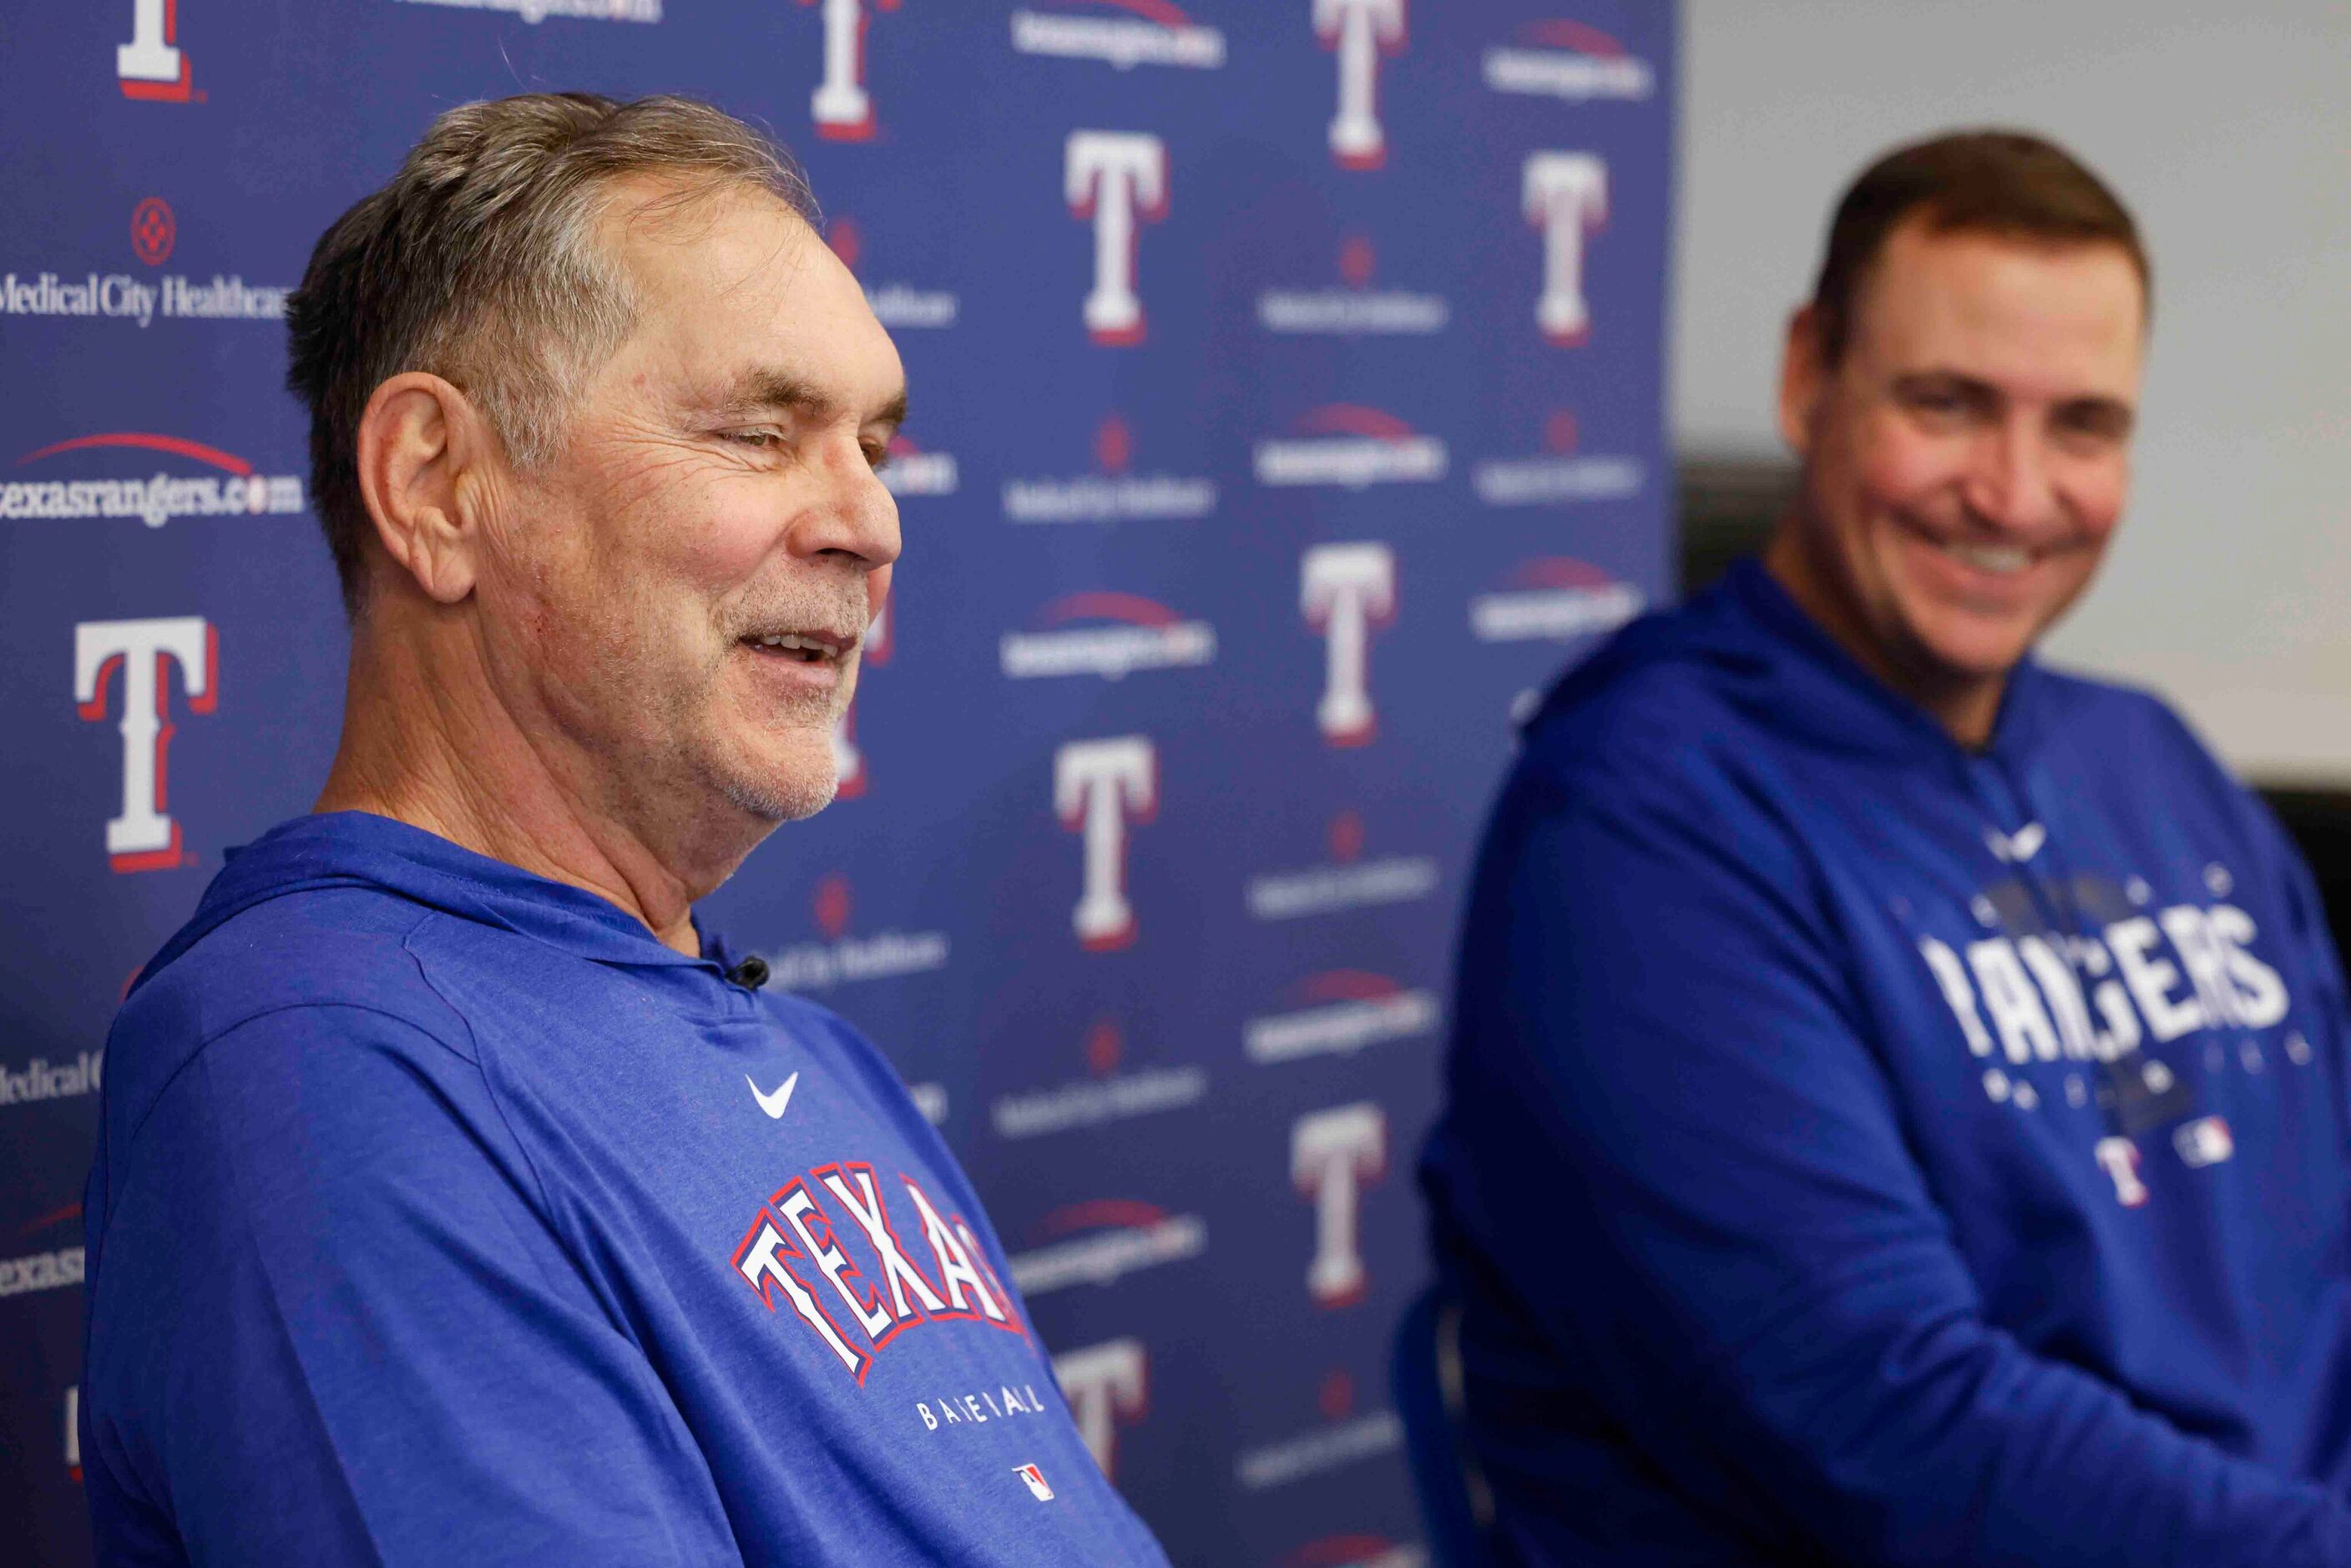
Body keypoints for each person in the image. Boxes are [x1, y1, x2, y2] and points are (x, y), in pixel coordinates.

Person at [79, 94, 1170, 1567]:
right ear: (436, 486)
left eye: (873, 447)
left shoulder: (823, 1064)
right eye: (758, 432)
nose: (871, 523)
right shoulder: (321, 1072)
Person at [1418, 130, 2351, 1565]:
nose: (2015, 491)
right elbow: (1897, 1430)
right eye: (1949, 404)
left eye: (2084, 426)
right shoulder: (1636, 829)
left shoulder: (2155, 765)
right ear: (1809, 375)